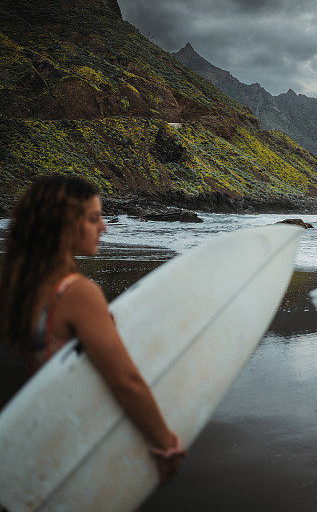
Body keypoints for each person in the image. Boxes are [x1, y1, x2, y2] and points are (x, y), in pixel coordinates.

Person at [0, 175, 186, 482]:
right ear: (64, 224)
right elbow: (127, 382)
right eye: (93, 218)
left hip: (47, 436)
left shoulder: (24, 289)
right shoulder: (77, 293)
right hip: (83, 441)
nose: (104, 227)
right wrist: (166, 445)